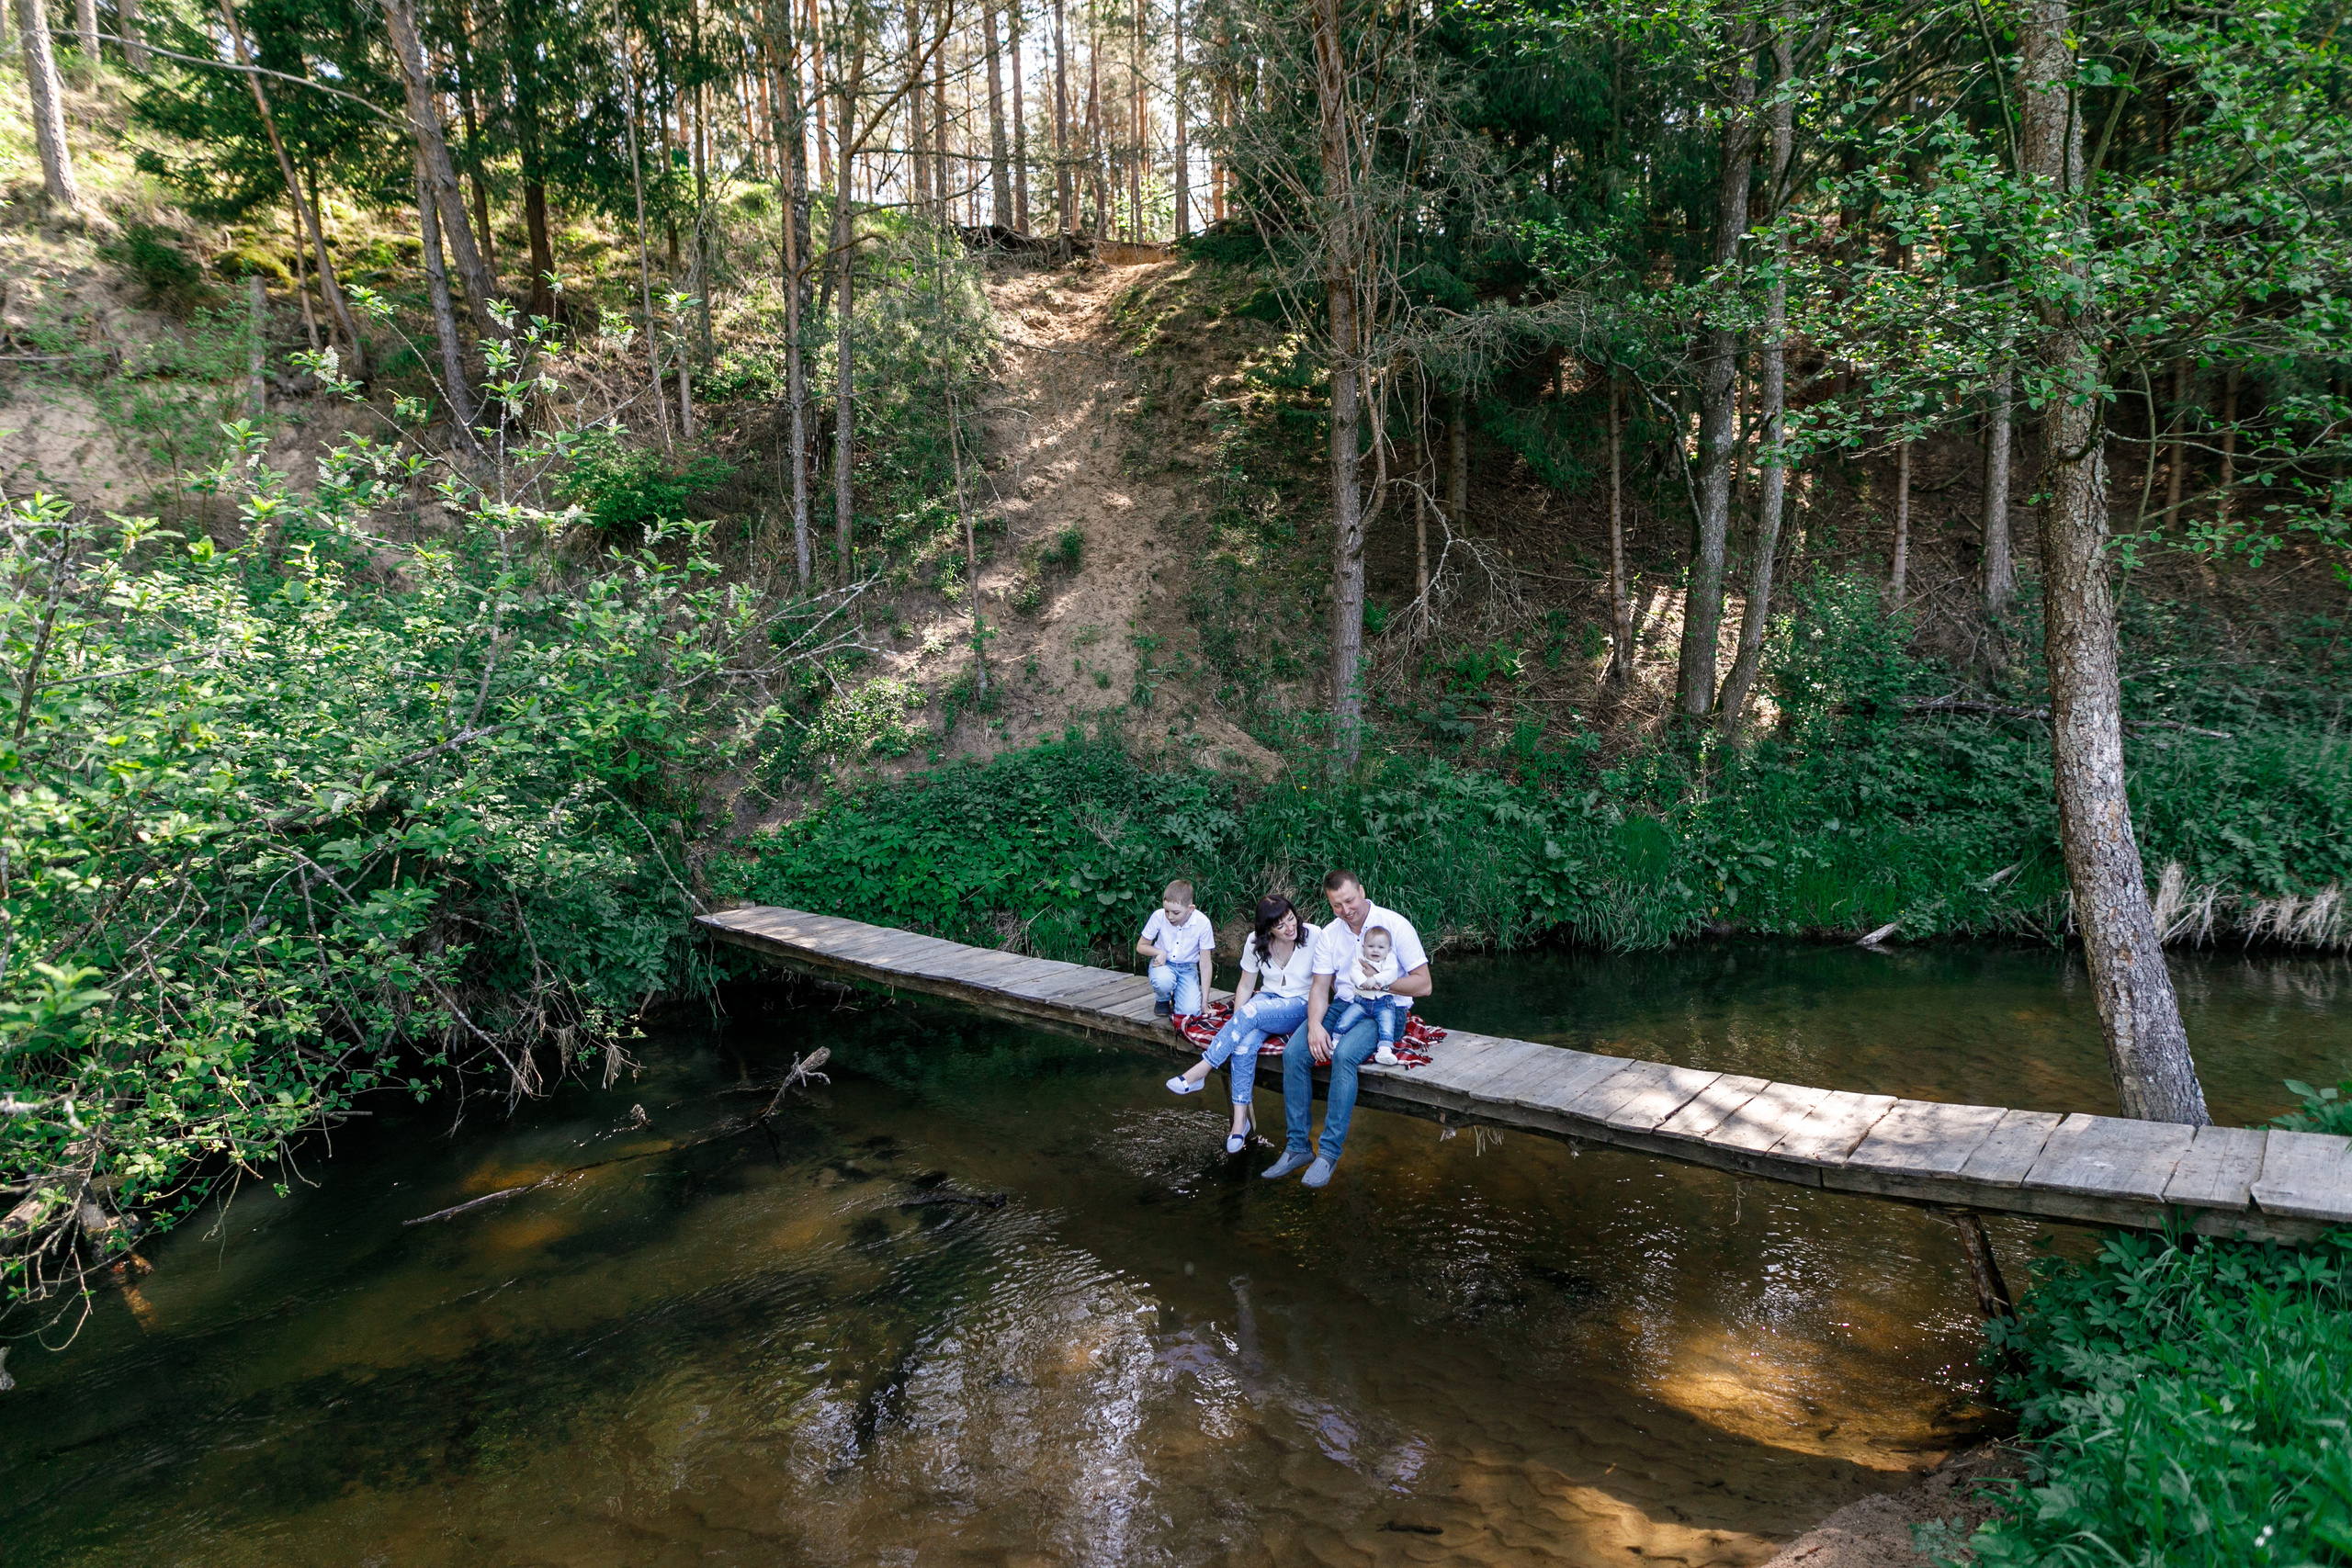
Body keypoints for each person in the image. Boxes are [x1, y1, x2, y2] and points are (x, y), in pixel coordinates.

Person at [1263, 870, 1431, 1189]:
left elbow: (1424, 985)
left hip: (1386, 1008)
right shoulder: (1330, 934)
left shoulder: (1394, 926)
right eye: (1337, 905)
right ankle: (1298, 1146)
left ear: (1362, 891)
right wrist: (1314, 1025)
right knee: (1295, 1052)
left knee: (1344, 1056)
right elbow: (1320, 986)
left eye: (1350, 900)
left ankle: (1328, 1152)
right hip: (1345, 1004)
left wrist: (1378, 982)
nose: (1346, 909)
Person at [1165, 895, 1318, 1155]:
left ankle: (1201, 1070)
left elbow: (1327, 981)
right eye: (1280, 926)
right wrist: (1239, 1025)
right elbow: (1246, 985)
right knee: (1243, 1046)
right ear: (1267, 928)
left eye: (1291, 919)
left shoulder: (1314, 936)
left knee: (1252, 1011)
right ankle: (1239, 1124)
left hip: (1301, 1005)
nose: (1290, 927)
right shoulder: (1254, 943)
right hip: (1266, 1003)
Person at [1328, 925, 1408, 1066]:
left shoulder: (1390, 960)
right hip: (1362, 1001)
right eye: (1371, 946)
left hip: (1384, 1003)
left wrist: (1374, 980)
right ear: (1364, 947)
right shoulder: (1359, 956)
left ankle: (1384, 1050)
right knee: (1346, 1018)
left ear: (1389, 949)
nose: (1375, 950)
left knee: (1387, 1024)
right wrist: (1362, 982)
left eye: (1381, 947)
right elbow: (1354, 972)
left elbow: (1391, 974)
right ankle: (1336, 1040)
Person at [1136, 879, 1215, 1019]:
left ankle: (1180, 995)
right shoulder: (1158, 917)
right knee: (1163, 981)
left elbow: (1205, 964)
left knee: (1189, 1013)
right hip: (1163, 965)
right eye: (1166, 911)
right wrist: (1159, 952)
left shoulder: (1203, 923)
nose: (1170, 917)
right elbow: (1141, 946)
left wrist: (1204, 1003)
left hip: (1188, 969)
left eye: (1176, 913)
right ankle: (1163, 998)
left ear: (1190, 909)